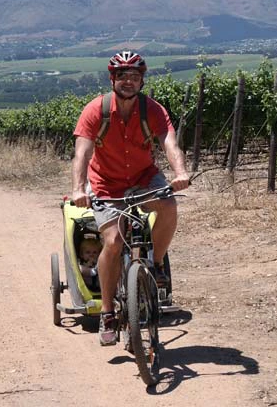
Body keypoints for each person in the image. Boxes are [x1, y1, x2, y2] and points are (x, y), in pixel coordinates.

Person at [71, 50, 190, 346]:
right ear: (113, 79)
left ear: (141, 81)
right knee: (112, 242)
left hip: (143, 178)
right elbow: (82, 153)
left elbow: (169, 143)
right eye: (123, 76)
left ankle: (157, 265)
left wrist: (180, 172)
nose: (129, 81)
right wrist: (78, 188)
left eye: (135, 77)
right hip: (106, 185)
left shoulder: (153, 110)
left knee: (168, 206)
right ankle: (108, 312)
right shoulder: (95, 111)